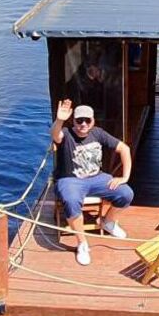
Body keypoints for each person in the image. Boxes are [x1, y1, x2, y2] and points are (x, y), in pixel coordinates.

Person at [51, 99, 134, 266]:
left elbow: (124, 149)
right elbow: (55, 135)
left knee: (126, 193)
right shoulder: (66, 134)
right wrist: (59, 120)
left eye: (87, 120)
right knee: (71, 200)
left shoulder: (98, 133)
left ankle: (108, 222)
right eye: (79, 120)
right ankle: (82, 243)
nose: (83, 124)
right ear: (73, 120)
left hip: (97, 178)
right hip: (70, 180)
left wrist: (124, 177)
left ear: (93, 121)